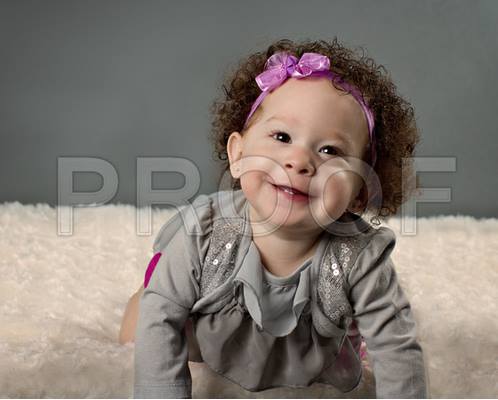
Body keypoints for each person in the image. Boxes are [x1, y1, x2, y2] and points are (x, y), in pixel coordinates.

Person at [120, 38, 429, 398]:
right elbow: (162, 317)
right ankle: (152, 283)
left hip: (307, 352)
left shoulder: (360, 257)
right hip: (204, 328)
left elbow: (396, 345)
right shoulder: (203, 232)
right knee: (141, 324)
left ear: (360, 191)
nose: (299, 161)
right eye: (282, 136)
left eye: (330, 150)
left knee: (347, 339)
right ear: (238, 155)